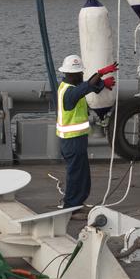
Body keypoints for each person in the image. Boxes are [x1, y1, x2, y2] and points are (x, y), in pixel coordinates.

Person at [56, 54, 118, 217]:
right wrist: (100, 73)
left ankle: (76, 203)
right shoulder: (69, 93)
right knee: (76, 174)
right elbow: (84, 88)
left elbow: (85, 88)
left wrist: (102, 84)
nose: (82, 75)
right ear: (73, 74)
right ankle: (71, 207)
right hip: (72, 141)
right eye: (80, 73)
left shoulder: (68, 86)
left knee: (81, 174)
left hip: (76, 140)